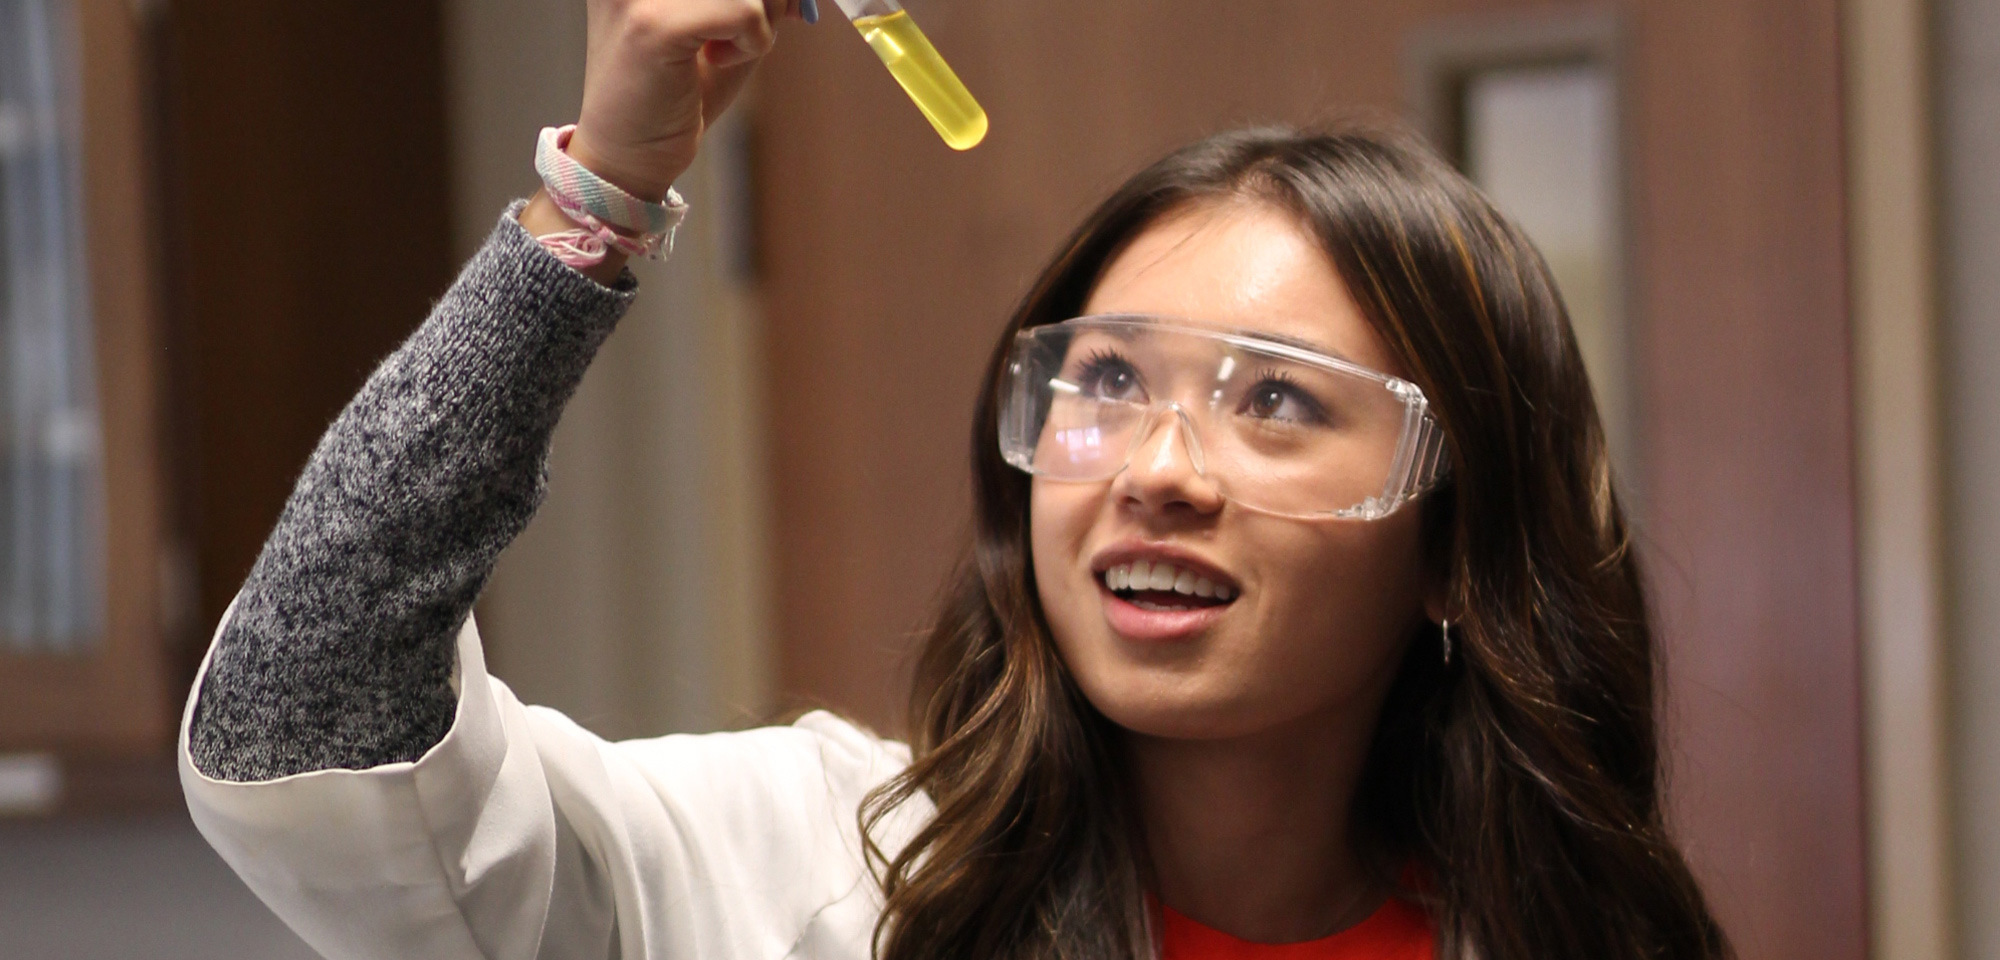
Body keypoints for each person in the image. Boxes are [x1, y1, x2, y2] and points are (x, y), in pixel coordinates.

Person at [177, 1, 1732, 958]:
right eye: (1107, 382)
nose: (1157, 471)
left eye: (1276, 403)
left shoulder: (1574, 938)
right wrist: (598, 203)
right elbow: (307, 716)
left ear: (1460, 544)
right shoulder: (801, 877)